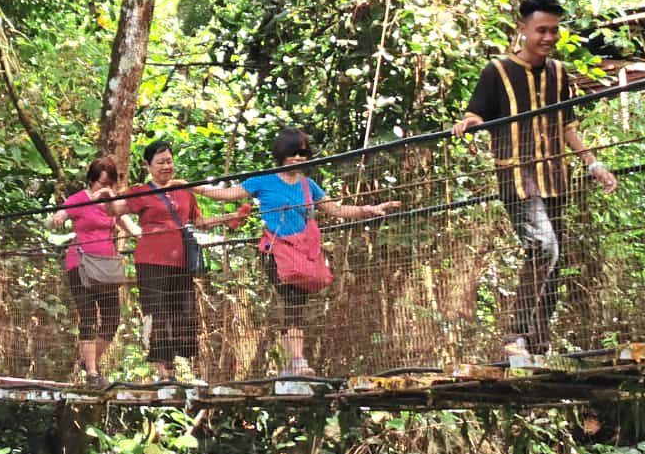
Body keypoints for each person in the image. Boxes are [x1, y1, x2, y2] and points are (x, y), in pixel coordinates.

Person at [452, 0, 617, 362]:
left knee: (555, 260)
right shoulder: (497, 72)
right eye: (541, 30)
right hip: (517, 176)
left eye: (554, 31)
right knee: (544, 247)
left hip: (556, 177)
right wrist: (471, 122)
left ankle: (539, 344)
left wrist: (593, 164)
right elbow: (476, 113)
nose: (548, 37)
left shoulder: (559, 73)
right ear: (522, 29)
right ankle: (516, 337)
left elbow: (567, 125)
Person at [192, 128, 400, 376]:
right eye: (294, 153)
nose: (299, 158)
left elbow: (336, 210)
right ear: (282, 154)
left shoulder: (307, 185)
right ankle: (297, 360)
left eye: (303, 153)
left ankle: (293, 363)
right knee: (292, 300)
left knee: (297, 304)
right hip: (274, 253)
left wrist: (370, 209)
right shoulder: (264, 180)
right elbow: (226, 195)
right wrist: (192, 187)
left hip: (301, 255)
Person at [103, 140, 245, 382]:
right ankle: (164, 373)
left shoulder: (183, 190)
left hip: (180, 260)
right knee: (158, 312)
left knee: (182, 313)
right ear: (148, 165)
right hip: (151, 260)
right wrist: (106, 195)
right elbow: (114, 210)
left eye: (169, 161)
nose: (166, 166)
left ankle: (174, 368)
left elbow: (198, 222)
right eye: (160, 162)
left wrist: (229, 217)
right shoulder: (141, 192)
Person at [47, 157, 141, 388]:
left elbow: (134, 230)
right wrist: (57, 219)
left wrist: (158, 231)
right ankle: (92, 373)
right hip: (80, 266)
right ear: (91, 181)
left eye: (110, 184)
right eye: (102, 184)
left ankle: (88, 361)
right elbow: (53, 220)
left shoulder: (113, 203)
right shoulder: (79, 199)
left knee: (112, 319)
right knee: (88, 317)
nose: (105, 189)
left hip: (106, 268)